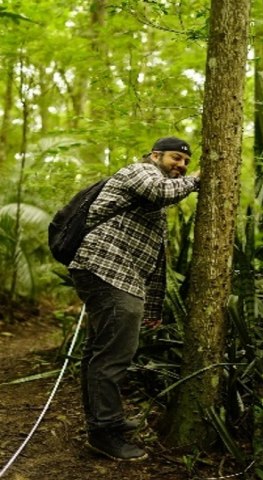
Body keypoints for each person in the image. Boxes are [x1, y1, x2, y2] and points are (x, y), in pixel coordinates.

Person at [68, 137, 200, 461]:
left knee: (100, 352)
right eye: (175, 158)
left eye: (185, 162)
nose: (181, 165)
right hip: (104, 268)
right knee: (113, 356)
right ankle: (104, 432)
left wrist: (152, 309)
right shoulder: (139, 173)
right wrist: (197, 179)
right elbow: (161, 191)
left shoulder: (156, 201)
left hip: (118, 276)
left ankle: (102, 421)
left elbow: (155, 259)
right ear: (155, 155)